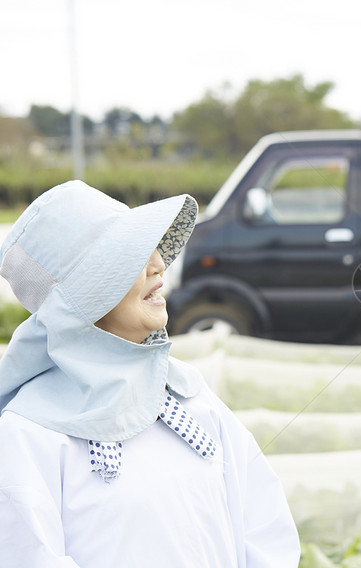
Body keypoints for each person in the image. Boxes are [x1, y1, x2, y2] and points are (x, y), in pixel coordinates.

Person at [0, 180, 301, 567]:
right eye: (130, 255)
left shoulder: (190, 400)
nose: (159, 264)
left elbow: (265, 533)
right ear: (84, 296)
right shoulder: (30, 433)